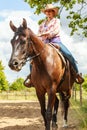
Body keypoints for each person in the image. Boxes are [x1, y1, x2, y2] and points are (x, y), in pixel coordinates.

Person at [24, 4, 84, 87]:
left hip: (55, 42)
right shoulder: (42, 24)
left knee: (69, 55)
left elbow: (55, 32)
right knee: (32, 60)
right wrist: (39, 38)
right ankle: (32, 78)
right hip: (44, 44)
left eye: (50, 11)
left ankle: (77, 74)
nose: (48, 12)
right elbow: (38, 35)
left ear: (53, 12)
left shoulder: (56, 21)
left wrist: (43, 34)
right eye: (46, 11)